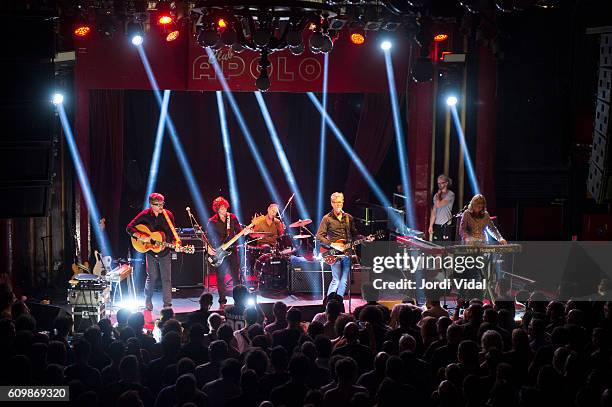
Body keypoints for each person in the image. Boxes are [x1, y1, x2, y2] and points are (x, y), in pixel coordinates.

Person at [127, 192, 183, 310]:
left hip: (165, 250)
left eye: (162, 204)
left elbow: (173, 233)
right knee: (152, 276)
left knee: (166, 277)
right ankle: (148, 299)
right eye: (158, 204)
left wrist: (177, 243)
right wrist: (140, 235)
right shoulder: (145, 214)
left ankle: (167, 305)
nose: (161, 207)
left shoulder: (168, 215)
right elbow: (129, 228)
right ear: (151, 205)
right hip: (150, 250)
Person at [316, 192, 372, 297]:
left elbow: (354, 234)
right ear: (332, 203)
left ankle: (339, 301)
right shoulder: (327, 218)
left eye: (340, 203)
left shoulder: (348, 218)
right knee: (336, 279)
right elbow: (319, 237)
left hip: (347, 252)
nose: (338, 205)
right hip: (333, 253)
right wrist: (332, 244)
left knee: (344, 280)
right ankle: (329, 302)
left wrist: (365, 238)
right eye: (336, 203)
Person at [206, 197, 250, 307]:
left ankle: (238, 301)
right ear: (217, 209)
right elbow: (207, 237)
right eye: (221, 208)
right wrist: (208, 248)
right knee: (220, 278)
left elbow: (240, 232)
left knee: (236, 276)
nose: (224, 210)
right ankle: (222, 302)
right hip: (219, 252)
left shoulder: (232, 218)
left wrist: (246, 232)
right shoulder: (212, 221)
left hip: (232, 251)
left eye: (225, 207)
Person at [428, 175, 455, 243]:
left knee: (446, 246)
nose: (439, 185)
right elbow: (434, 211)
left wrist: (439, 195)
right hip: (437, 225)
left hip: (446, 224)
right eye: (438, 183)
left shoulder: (450, 194)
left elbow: (439, 204)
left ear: (446, 183)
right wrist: (431, 225)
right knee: (437, 245)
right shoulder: (436, 196)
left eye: (441, 183)